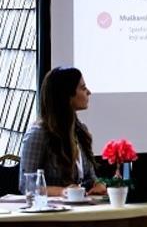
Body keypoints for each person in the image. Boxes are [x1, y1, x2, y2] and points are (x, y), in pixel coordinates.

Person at [19, 67, 106, 196]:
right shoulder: (39, 133)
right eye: (83, 88)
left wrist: (98, 185)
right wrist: (63, 191)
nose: (89, 92)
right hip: (51, 208)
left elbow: (90, 178)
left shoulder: (80, 131)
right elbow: (27, 185)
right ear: (67, 95)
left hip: (80, 205)